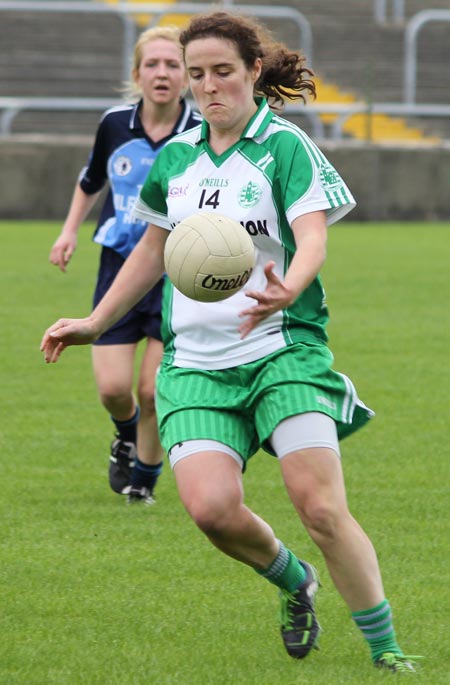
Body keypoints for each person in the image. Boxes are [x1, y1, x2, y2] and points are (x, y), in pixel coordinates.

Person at [41, 11, 421, 672]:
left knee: (322, 507)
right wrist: (96, 322)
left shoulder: (285, 147)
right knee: (213, 509)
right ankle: (293, 579)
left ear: (252, 72)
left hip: (283, 352)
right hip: (196, 365)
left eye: (223, 71)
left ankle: (386, 650)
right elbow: (152, 251)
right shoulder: (178, 161)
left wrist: (290, 285)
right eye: (197, 75)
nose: (209, 86)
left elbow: (314, 237)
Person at [48, 26, 201, 503]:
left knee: (153, 389)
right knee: (115, 388)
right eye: (152, 64)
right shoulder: (114, 123)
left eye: (172, 65)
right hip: (119, 266)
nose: (162, 73)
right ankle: (125, 435)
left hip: (176, 271)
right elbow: (91, 179)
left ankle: (144, 482)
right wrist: (69, 229)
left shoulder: (200, 133)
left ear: (187, 77)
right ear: (137, 74)